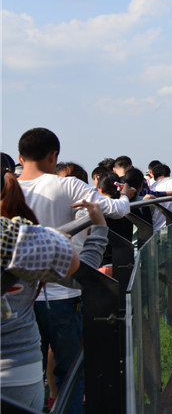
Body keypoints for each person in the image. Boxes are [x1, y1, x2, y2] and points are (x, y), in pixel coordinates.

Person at [16, 127, 132, 414]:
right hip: (63, 295)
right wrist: (127, 195)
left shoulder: (8, 190)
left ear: (20, 156)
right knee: (70, 374)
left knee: (31, 376)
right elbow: (116, 210)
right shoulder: (66, 185)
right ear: (53, 155)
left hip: (20, 301)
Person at [2, 170, 109, 411]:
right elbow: (82, 273)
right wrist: (98, 228)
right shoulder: (11, 235)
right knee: (70, 370)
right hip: (15, 371)